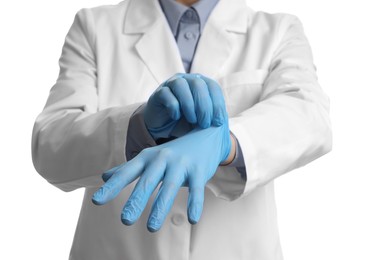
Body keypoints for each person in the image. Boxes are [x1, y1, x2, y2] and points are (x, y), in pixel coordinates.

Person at [31, 0, 332, 259]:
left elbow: (309, 113)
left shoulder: (277, 30)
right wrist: (136, 126)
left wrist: (226, 144)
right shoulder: (94, 27)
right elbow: (50, 142)